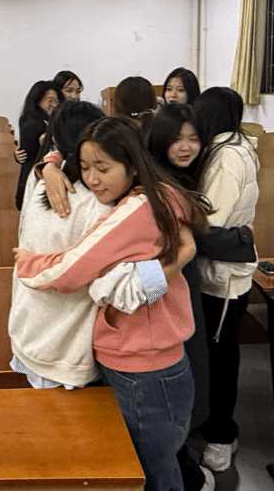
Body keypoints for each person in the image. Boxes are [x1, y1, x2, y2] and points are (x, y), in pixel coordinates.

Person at [15, 115, 210, 491]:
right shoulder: (155, 194)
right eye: (85, 167)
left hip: (143, 363)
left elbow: (84, 277)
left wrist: (27, 263)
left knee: (147, 474)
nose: (91, 179)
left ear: (132, 163)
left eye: (102, 168)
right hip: (146, 355)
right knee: (153, 468)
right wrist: (49, 164)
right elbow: (139, 284)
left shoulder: (136, 210)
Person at [10, 101, 187, 391]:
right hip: (74, 346)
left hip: (31, 330)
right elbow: (123, 293)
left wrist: (50, 164)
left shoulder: (40, 180)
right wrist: (176, 264)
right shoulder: (106, 204)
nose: (94, 177)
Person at [147, 103, 256, 491]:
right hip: (165, 292)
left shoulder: (180, 175)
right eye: (177, 138)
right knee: (177, 376)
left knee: (191, 373)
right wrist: (244, 241)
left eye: (194, 138)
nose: (186, 146)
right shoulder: (161, 183)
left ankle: (181, 468)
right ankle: (181, 479)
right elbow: (195, 236)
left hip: (180, 290)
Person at [191, 87, 259, 475]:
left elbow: (208, 225)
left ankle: (221, 436)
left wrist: (242, 240)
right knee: (217, 356)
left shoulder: (226, 157)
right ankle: (212, 428)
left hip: (222, 277)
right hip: (224, 273)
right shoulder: (237, 145)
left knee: (220, 360)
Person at [15, 80, 59, 209]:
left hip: (38, 176)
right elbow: (31, 151)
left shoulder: (39, 119)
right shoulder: (33, 122)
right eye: (50, 100)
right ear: (37, 100)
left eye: (56, 101)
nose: (54, 105)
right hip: (36, 178)